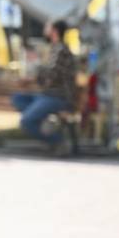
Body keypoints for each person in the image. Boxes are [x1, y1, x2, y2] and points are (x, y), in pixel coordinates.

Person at [11, 20, 78, 148]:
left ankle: (58, 141)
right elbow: (48, 76)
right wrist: (32, 79)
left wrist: (36, 63)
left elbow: (52, 75)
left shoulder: (61, 50)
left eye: (47, 27)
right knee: (17, 98)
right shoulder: (54, 48)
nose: (44, 30)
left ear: (54, 31)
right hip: (47, 94)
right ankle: (43, 120)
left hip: (58, 97)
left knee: (26, 122)